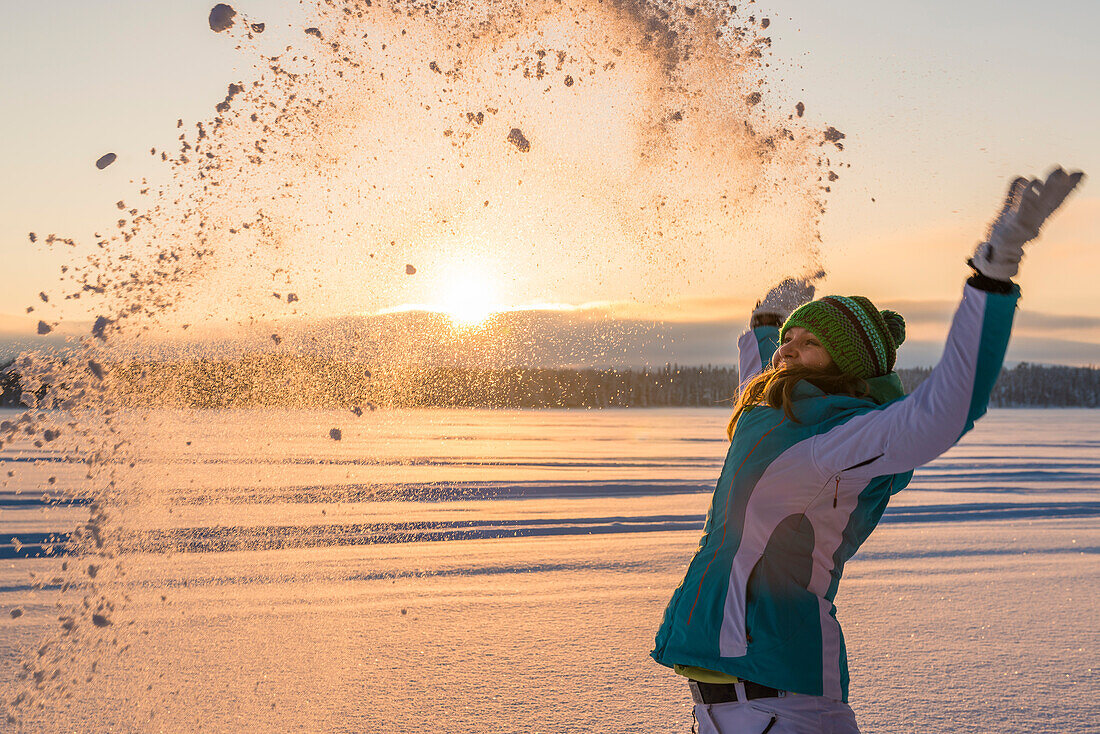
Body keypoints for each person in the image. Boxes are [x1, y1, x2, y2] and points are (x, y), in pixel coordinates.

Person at [650, 167, 1085, 734]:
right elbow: (760, 383)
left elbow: (944, 412)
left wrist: (992, 276)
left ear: (848, 366)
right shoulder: (771, 419)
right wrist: (765, 321)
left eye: (812, 344)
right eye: (789, 341)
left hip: (786, 709)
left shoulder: (842, 440)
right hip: (723, 710)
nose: (789, 351)